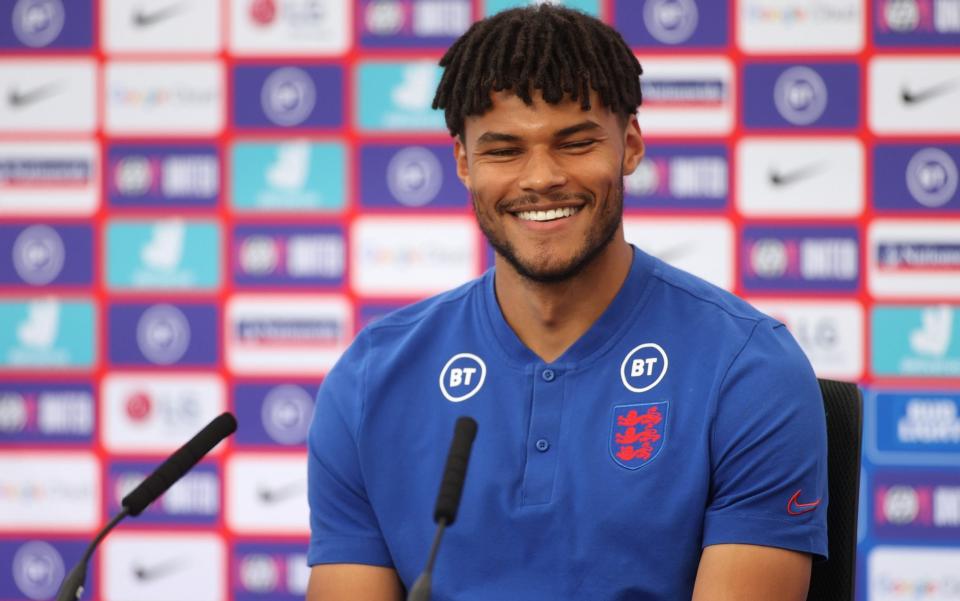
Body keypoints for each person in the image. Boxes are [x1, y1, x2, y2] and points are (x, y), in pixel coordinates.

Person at [305, 5, 827, 600]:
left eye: (576, 143)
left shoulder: (749, 369)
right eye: (503, 150)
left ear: (629, 146)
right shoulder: (371, 379)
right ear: (463, 164)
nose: (541, 178)